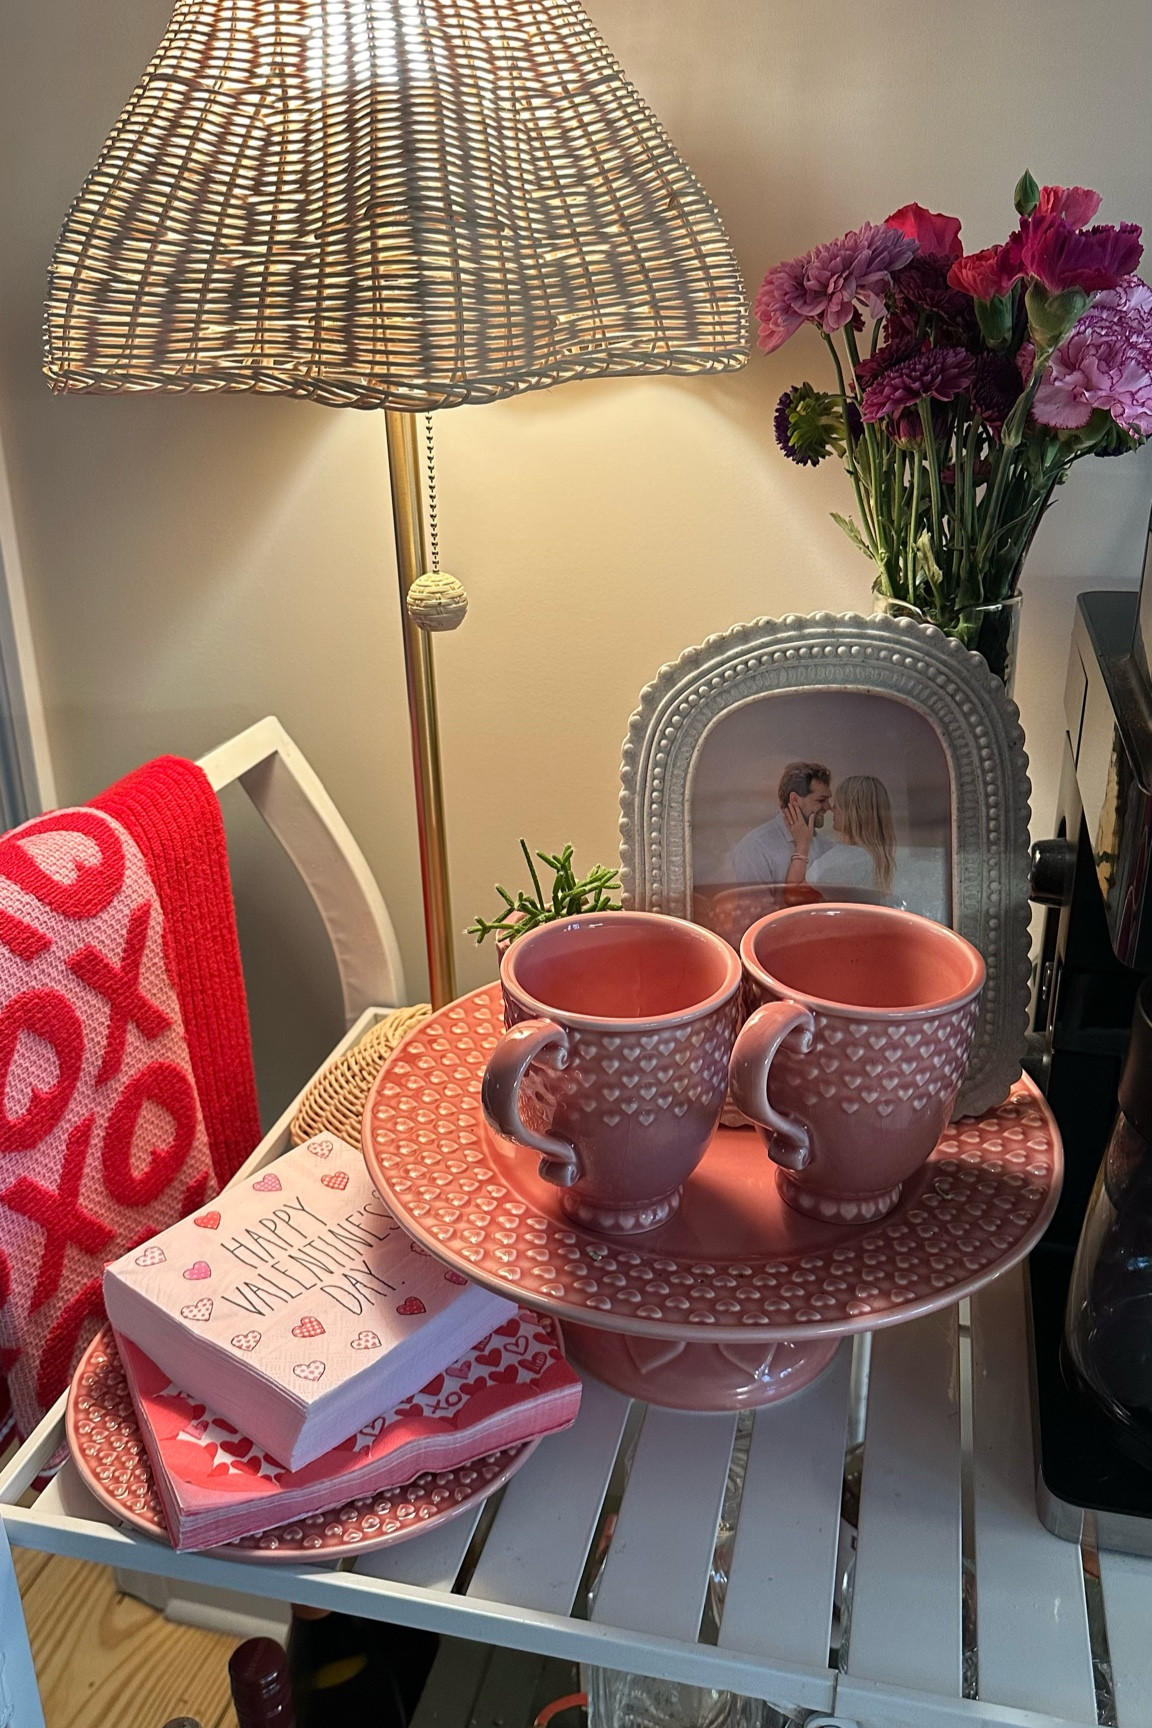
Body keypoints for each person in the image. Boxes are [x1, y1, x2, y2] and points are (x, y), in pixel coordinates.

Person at [785, 774, 897, 898]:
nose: (832, 809)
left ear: (852, 812)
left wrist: (802, 844)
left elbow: (793, 897)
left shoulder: (848, 860)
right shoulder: (878, 858)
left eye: (838, 804)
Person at [728, 761, 833, 884]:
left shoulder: (826, 847)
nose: (828, 807)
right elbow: (757, 903)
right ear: (794, 800)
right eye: (821, 800)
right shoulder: (755, 847)